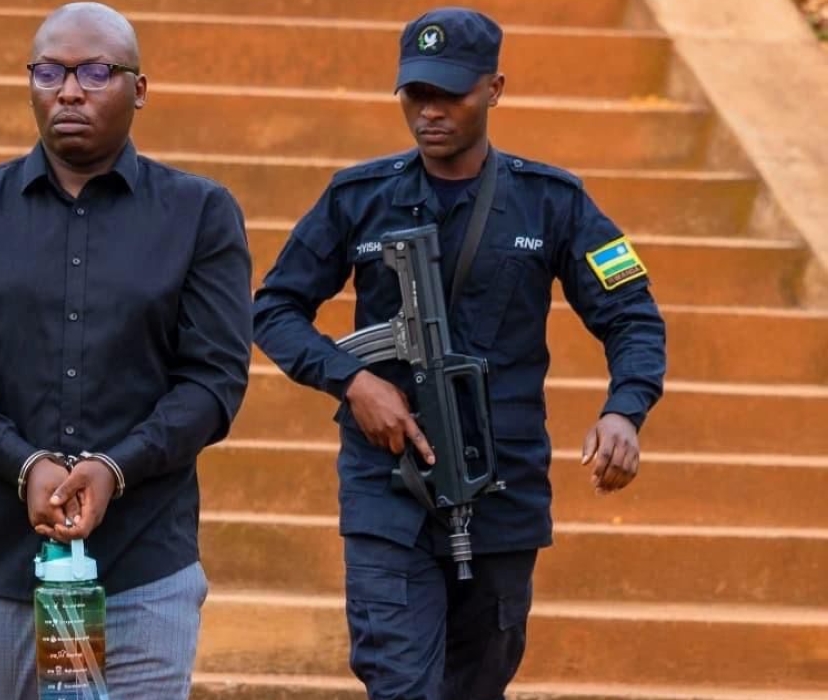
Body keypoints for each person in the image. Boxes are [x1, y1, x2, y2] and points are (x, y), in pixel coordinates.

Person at [253, 7, 666, 700]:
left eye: (451, 94)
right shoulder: (359, 196)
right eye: (417, 94)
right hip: (387, 486)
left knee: (476, 684)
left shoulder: (551, 202)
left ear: (494, 90)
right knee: (400, 682)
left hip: (503, 487)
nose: (430, 112)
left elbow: (632, 315)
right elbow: (275, 307)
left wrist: (626, 409)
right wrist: (353, 381)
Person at [0, 3, 253, 698]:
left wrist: (113, 469)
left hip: (143, 567)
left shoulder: (199, 214)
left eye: (96, 71)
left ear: (139, 89)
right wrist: (24, 463)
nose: (69, 90)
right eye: (49, 72)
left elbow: (213, 382)